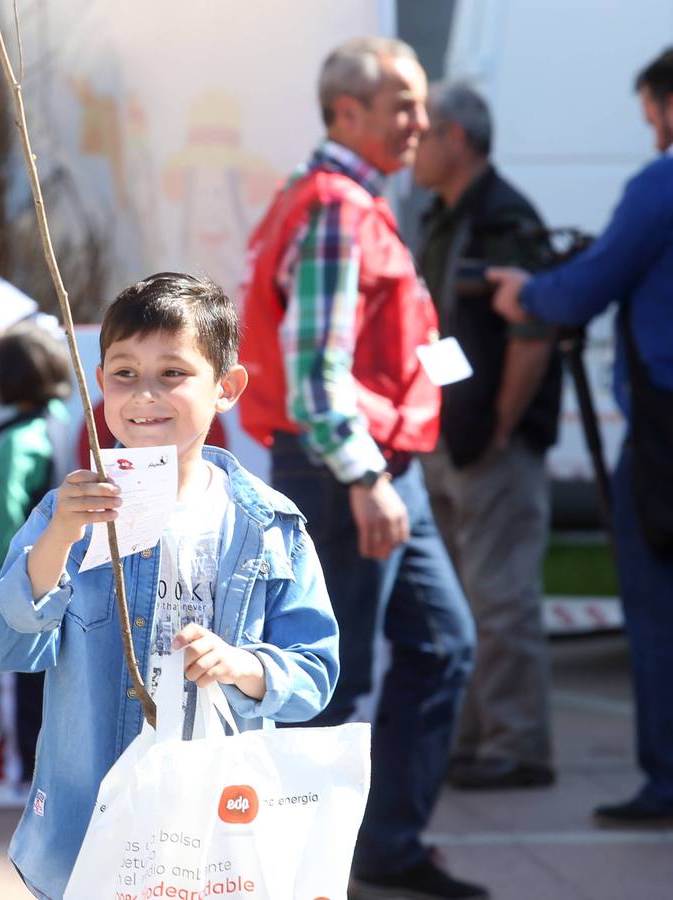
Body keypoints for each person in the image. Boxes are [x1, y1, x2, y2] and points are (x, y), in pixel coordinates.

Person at [0, 272, 340, 900]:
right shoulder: (67, 513)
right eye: (123, 373)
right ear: (99, 383)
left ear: (226, 388)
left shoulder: (268, 525)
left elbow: (313, 677)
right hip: (86, 828)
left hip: (217, 827)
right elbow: (2, 648)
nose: (145, 394)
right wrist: (59, 537)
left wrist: (242, 665)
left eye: (173, 373)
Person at [238, 37, 485, 899]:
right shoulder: (339, 208)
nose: (425, 122)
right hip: (346, 470)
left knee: (436, 644)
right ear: (348, 112)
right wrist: (367, 476)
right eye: (405, 106)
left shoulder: (331, 200)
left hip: (357, 467)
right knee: (329, 673)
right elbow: (315, 375)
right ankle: (301, 864)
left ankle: (374, 848)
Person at [490, 46, 673, 828]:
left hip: (665, 439)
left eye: (653, 119)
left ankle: (666, 783)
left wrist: (520, 289)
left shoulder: (663, 183)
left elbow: (583, 288)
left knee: (659, 611)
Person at [411, 81, 561, 792]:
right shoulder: (442, 219)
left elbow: (535, 331)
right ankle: (475, 741)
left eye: (425, 130)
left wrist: (500, 424)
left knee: (500, 600)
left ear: (456, 140)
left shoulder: (505, 218)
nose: (412, 143)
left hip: (491, 445)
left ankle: (517, 746)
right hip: (450, 437)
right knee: (464, 601)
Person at [0, 322, 71, 810]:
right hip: (61, 578)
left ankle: (17, 780)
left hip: (17, 582)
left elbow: (3, 517)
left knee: (11, 681)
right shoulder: (61, 421)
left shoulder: (15, 441)